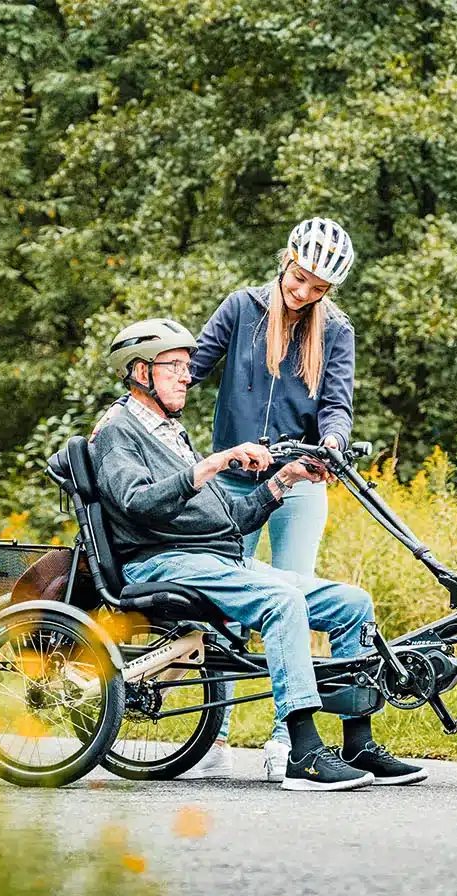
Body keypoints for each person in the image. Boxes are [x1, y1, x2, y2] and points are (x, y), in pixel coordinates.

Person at [90, 317, 425, 790]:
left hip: (215, 559)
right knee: (280, 601)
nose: (187, 376)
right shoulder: (118, 430)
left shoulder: (170, 432)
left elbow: (232, 517)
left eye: (187, 367)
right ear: (140, 371)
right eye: (175, 367)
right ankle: (303, 753)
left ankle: (358, 742)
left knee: (352, 604)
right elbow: (136, 503)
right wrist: (214, 462)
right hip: (163, 560)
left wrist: (286, 478)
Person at [185, 217, 360, 781]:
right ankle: (215, 737)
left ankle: (286, 739)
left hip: (297, 484)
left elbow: (337, 404)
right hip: (231, 481)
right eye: (300, 278)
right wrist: (137, 404)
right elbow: (188, 369)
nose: (304, 292)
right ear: (286, 259)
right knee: (223, 606)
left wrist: (333, 443)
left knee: (294, 601)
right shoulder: (242, 309)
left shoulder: (336, 331)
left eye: (318, 288)